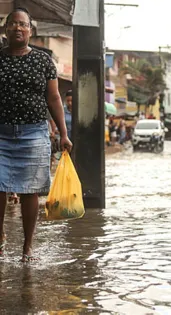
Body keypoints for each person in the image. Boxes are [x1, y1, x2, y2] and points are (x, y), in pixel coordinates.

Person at [0, 8, 72, 262]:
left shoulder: (42, 60)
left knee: (30, 191)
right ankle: (0, 238)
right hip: (1, 134)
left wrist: (63, 133)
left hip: (33, 133)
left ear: (31, 30)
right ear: (5, 29)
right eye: (13, 24)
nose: (18, 28)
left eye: (23, 24)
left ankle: (27, 247)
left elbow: (53, 97)